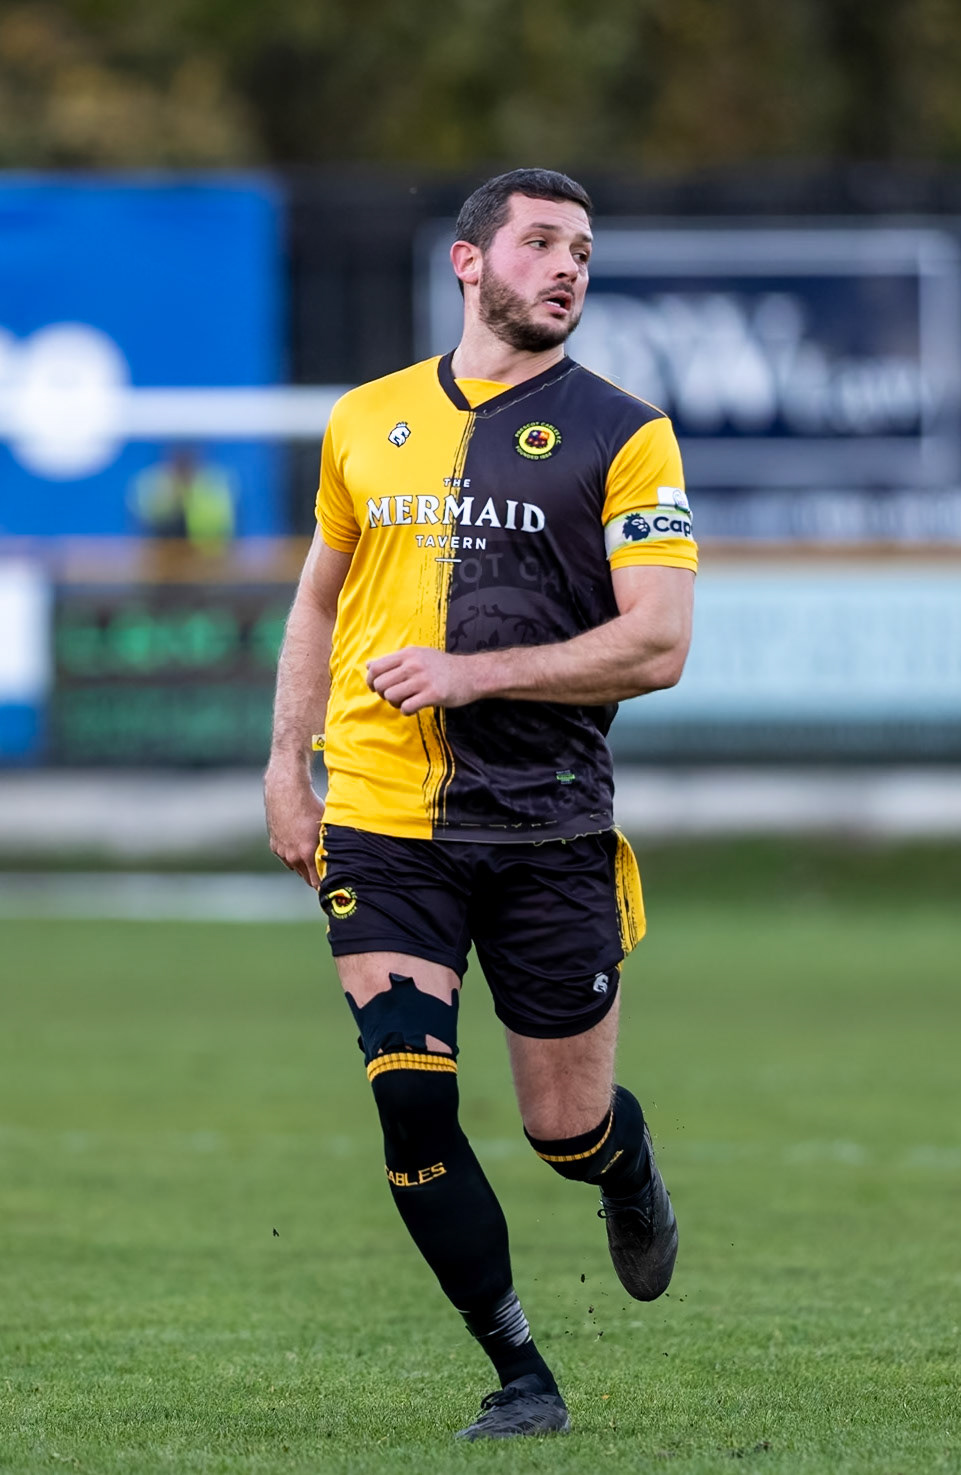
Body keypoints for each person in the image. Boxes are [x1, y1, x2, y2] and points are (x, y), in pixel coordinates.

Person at [264, 167, 697, 1441]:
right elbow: (318, 598)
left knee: (564, 1127)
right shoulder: (366, 418)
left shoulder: (628, 433)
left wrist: (474, 672)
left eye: (583, 250)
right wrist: (286, 763)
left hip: (547, 820)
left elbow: (659, 642)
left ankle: (622, 1166)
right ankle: (520, 1371)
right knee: (409, 1093)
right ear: (469, 261)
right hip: (384, 814)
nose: (567, 267)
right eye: (541, 242)